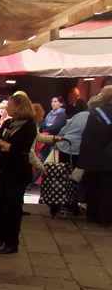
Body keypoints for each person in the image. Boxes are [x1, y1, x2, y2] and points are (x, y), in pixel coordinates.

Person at [0, 91, 38, 253]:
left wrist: (7, 144)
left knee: (12, 206)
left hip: (17, 172)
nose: (7, 108)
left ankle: (11, 242)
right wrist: (4, 143)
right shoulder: (8, 123)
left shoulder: (29, 125)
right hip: (1, 169)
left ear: (18, 106)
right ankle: (0, 235)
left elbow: (21, 148)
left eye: (9, 105)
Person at [38, 105, 89, 217]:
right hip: (78, 149)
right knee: (75, 177)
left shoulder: (79, 115)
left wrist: (58, 140)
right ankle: (71, 202)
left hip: (65, 145)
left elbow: (64, 129)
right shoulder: (92, 118)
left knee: (62, 174)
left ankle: (57, 201)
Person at [77, 85, 112, 226]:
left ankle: (93, 216)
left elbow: (88, 137)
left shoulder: (96, 113)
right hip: (109, 159)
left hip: (96, 159)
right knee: (107, 190)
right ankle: (106, 219)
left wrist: (85, 161)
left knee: (94, 188)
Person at [39, 96, 68, 163]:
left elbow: (55, 127)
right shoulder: (49, 114)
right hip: (45, 141)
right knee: (41, 161)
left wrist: (45, 128)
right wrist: (47, 126)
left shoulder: (62, 115)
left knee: (50, 162)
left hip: (54, 141)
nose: (53, 103)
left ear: (61, 104)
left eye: (55, 102)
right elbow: (41, 124)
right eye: (52, 102)